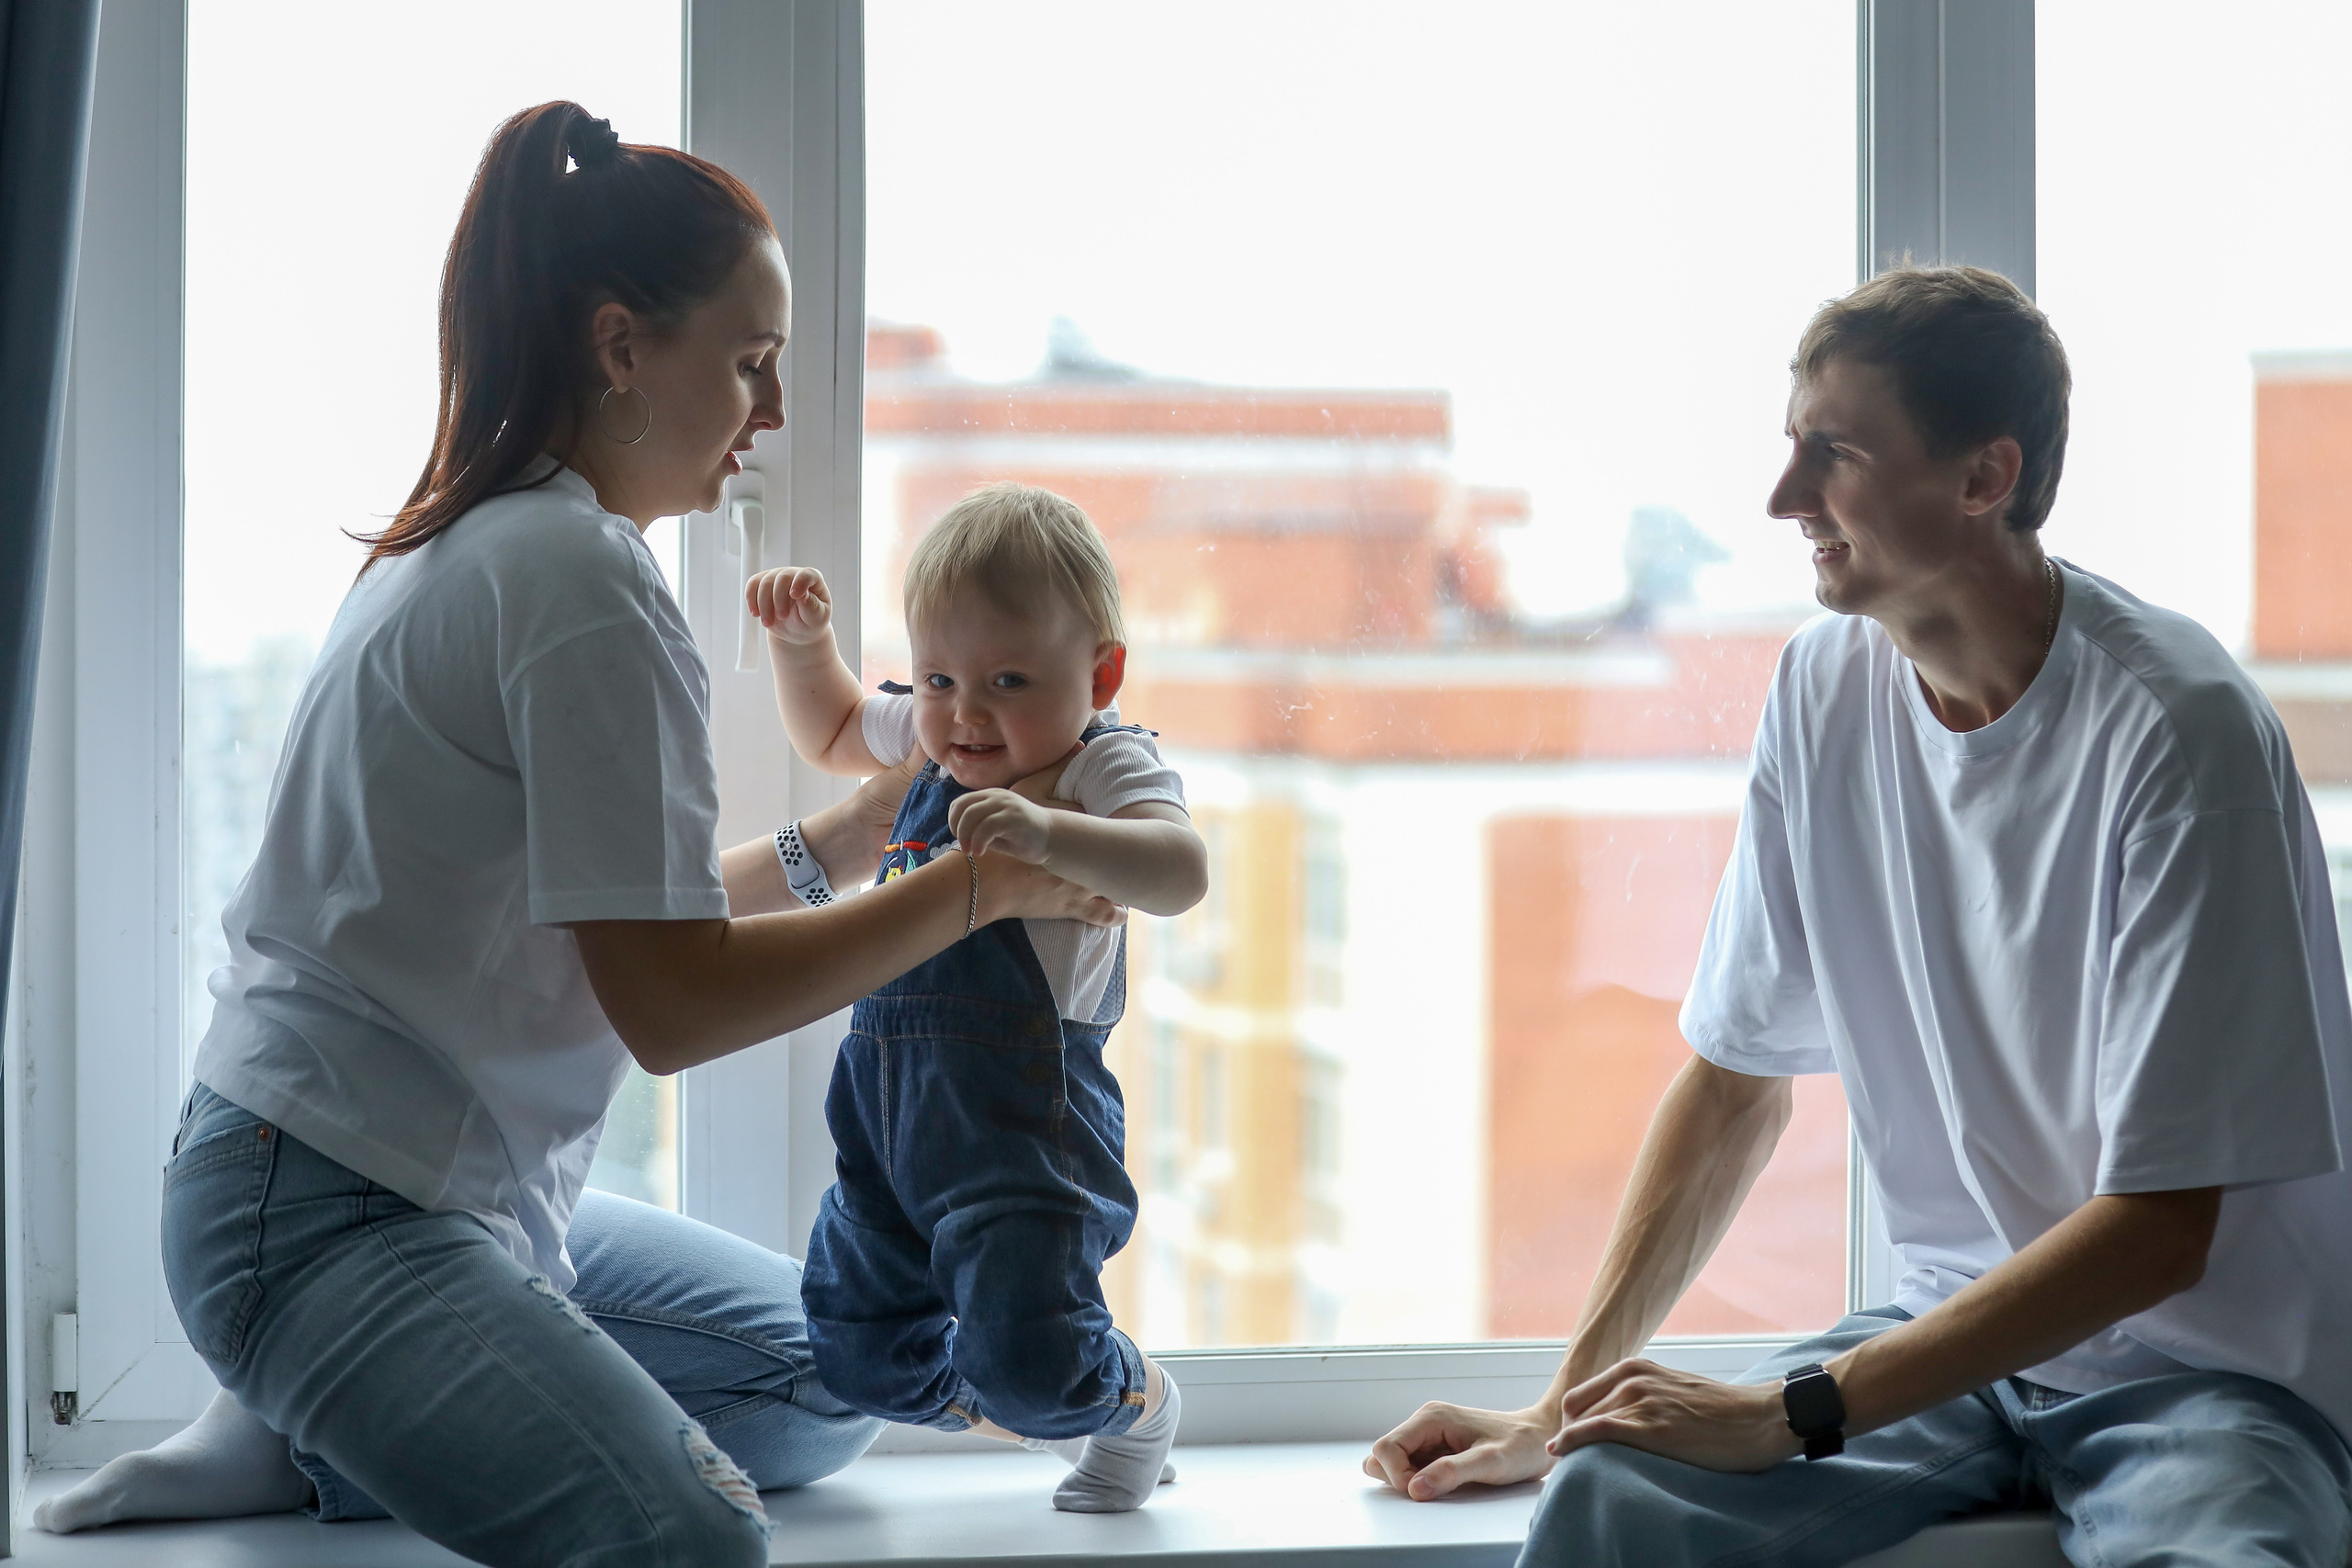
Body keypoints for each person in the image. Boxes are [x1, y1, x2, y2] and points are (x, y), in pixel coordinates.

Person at [33, 104, 1118, 1568]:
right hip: (327, 1204)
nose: (771, 409)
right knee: (697, 1537)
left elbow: (603, 914)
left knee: (829, 1385)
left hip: (375, 1183)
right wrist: (971, 889)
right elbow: (672, 1006)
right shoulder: (582, 585)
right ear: (621, 348)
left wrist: (850, 839)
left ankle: (305, 1435)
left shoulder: (478, 532)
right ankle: (308, 1385)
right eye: (749, 360)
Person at [1363, 265, 2352, 1567]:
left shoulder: (2177, 731)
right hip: (1947, 1343)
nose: (1784, 497)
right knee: (1606, 1497)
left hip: (2204, 1373)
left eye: (1833, 453)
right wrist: (1559, 1409)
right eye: (1793, 446)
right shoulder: (1821, 688)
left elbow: (2159, 1231)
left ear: (1984, 476)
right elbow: (1734, 1085)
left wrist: (1789, 1412)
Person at [744, 482, 1207, 1512]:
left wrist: (1051, 835)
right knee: (858, 1351)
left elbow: (1180, 870)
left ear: (1102, 673)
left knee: (1036, 1355)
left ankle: (1132, 1399)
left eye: (1008, 680)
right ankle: (1039, 1410)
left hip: (1024, 1125)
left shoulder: (1099, 765)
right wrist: (800, 647)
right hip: (884, 1119)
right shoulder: (936, 737)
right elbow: (834, 729)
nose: (965, 713)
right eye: (938, 678)